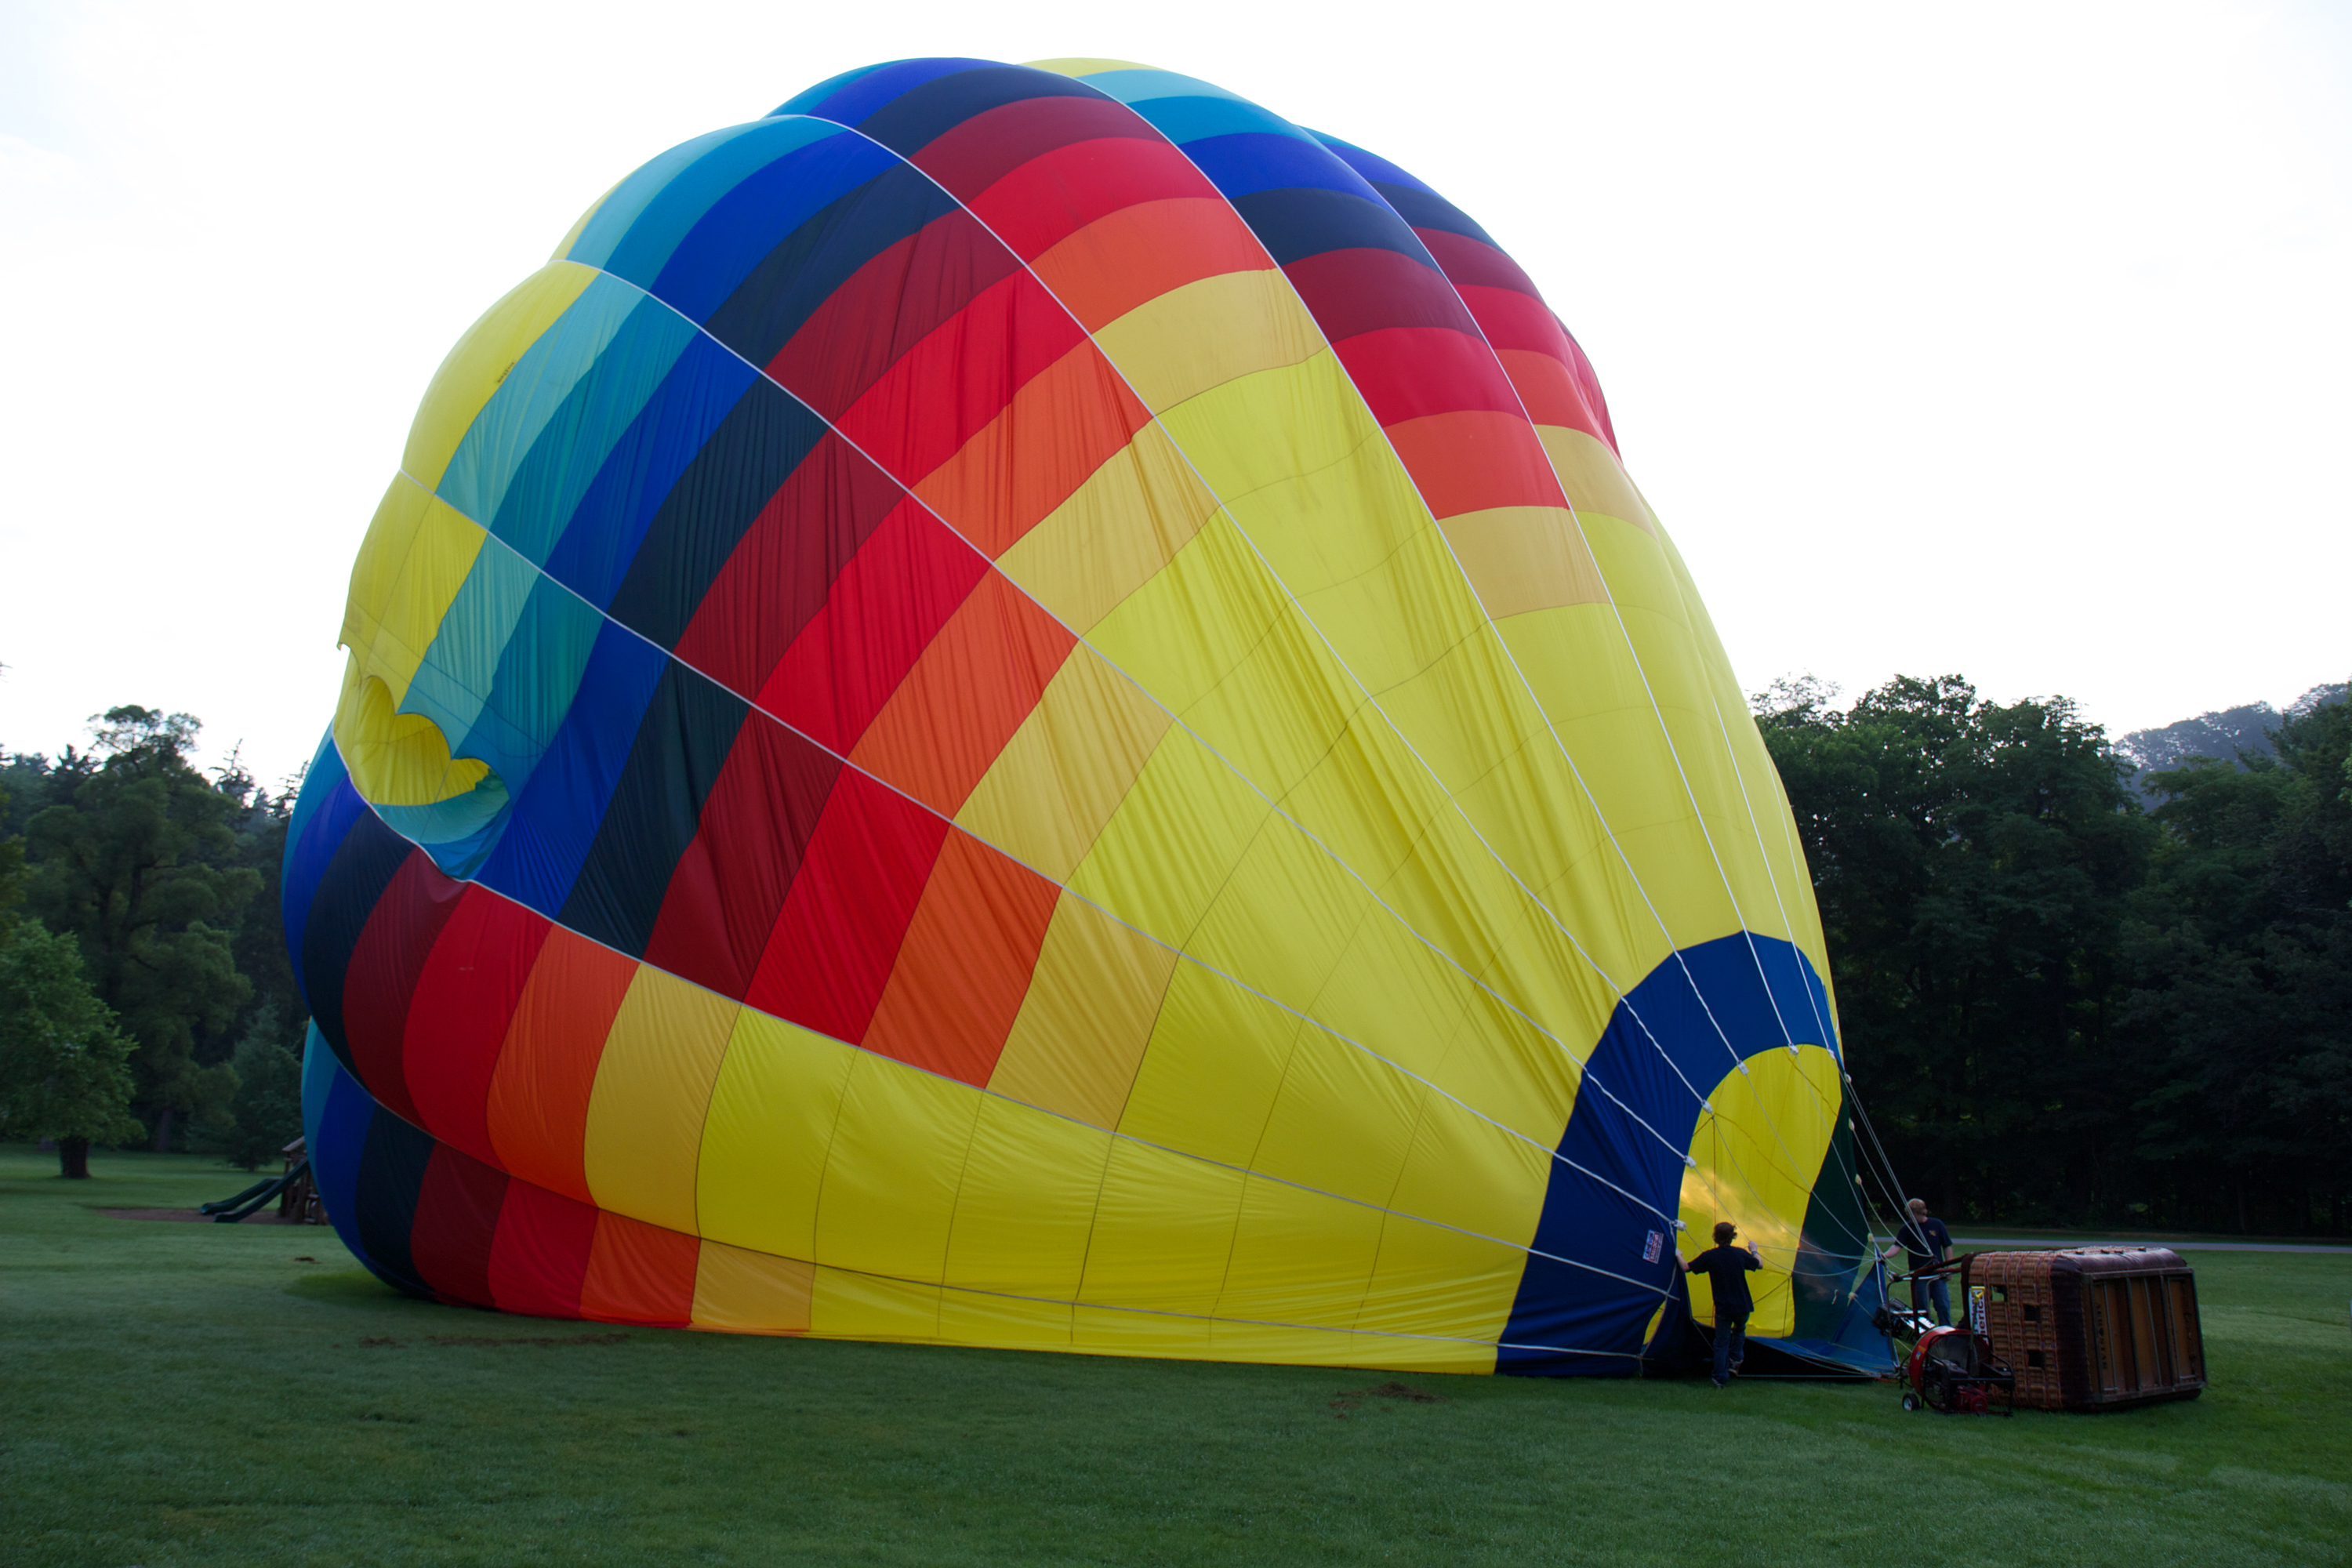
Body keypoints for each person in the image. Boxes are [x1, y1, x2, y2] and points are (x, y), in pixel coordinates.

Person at [1681, 1221, 1763, 1388]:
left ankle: (1720, 1378)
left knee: (1721, 1342)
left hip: (1724, 1308)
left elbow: (1686, 1267)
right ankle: (1735, 1361)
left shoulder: (1710, 1256)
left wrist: (1678, 1254)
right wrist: (1754, 1250)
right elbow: (1759, 1264)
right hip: (1742, 1306)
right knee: (1739, 1331)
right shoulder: (1740, 1254)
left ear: (1715, 1237)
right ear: (1733, 1237)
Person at [1882, 1198, 1953, 1326]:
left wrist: (1948, 1268)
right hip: (1919, 1276)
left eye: (1912, 1214)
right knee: (1922, 1310)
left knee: (1943, 1306)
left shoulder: (1937, 1225)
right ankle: (1926, 1333)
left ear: (1920, 1212)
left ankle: (1947, 1332)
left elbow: (1947, 1246)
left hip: (1938, 1274)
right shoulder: (1906, 1228)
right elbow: (1897, 1246)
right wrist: (1885, 1255)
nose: (1910, 1218)